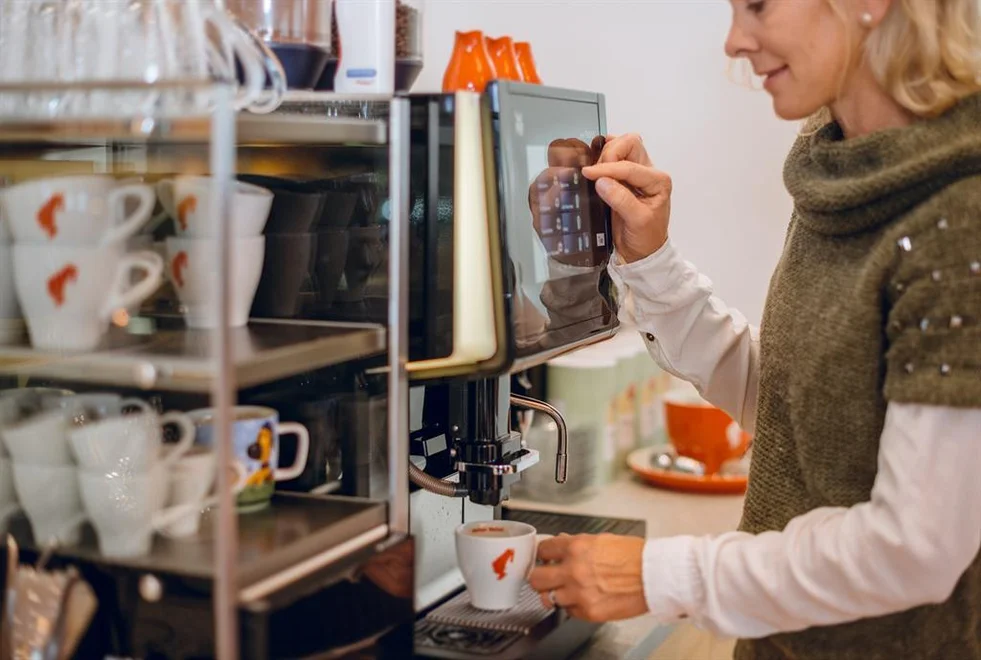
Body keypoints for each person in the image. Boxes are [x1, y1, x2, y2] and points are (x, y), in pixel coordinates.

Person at [527, 1, 981, 658]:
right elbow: (798, 407)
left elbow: (916, 548)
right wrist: (648, 260)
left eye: (758, 6)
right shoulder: (842, 167)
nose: (734, 42)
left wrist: (657, 575)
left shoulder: (959, 217)